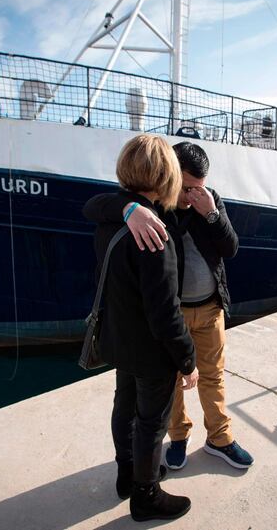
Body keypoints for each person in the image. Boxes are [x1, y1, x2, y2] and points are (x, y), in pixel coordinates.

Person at [83, 141, 254, 473]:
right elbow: (93, 206)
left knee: (213, 377)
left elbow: (230, 248)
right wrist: (128, 209)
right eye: (186, 187)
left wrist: (212, 215)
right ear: (170, 176)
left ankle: (220, 438)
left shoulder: (209, 201)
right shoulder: (157, 207)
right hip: (173, 314)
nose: (191, 195)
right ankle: (178, 438)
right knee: (173, 382)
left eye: (198, 188)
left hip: (210, 309)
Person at [88, 134, 199, 523]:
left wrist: (127, 206)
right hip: (151, 352)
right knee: (151, 422)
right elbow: (165, 313)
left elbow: (93, 205)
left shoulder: (112, 221)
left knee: (124, 408)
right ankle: (146, 496)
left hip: (119, 342)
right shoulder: (152, 233)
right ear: (166, 175)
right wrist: (188, 360)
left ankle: (128, 475)